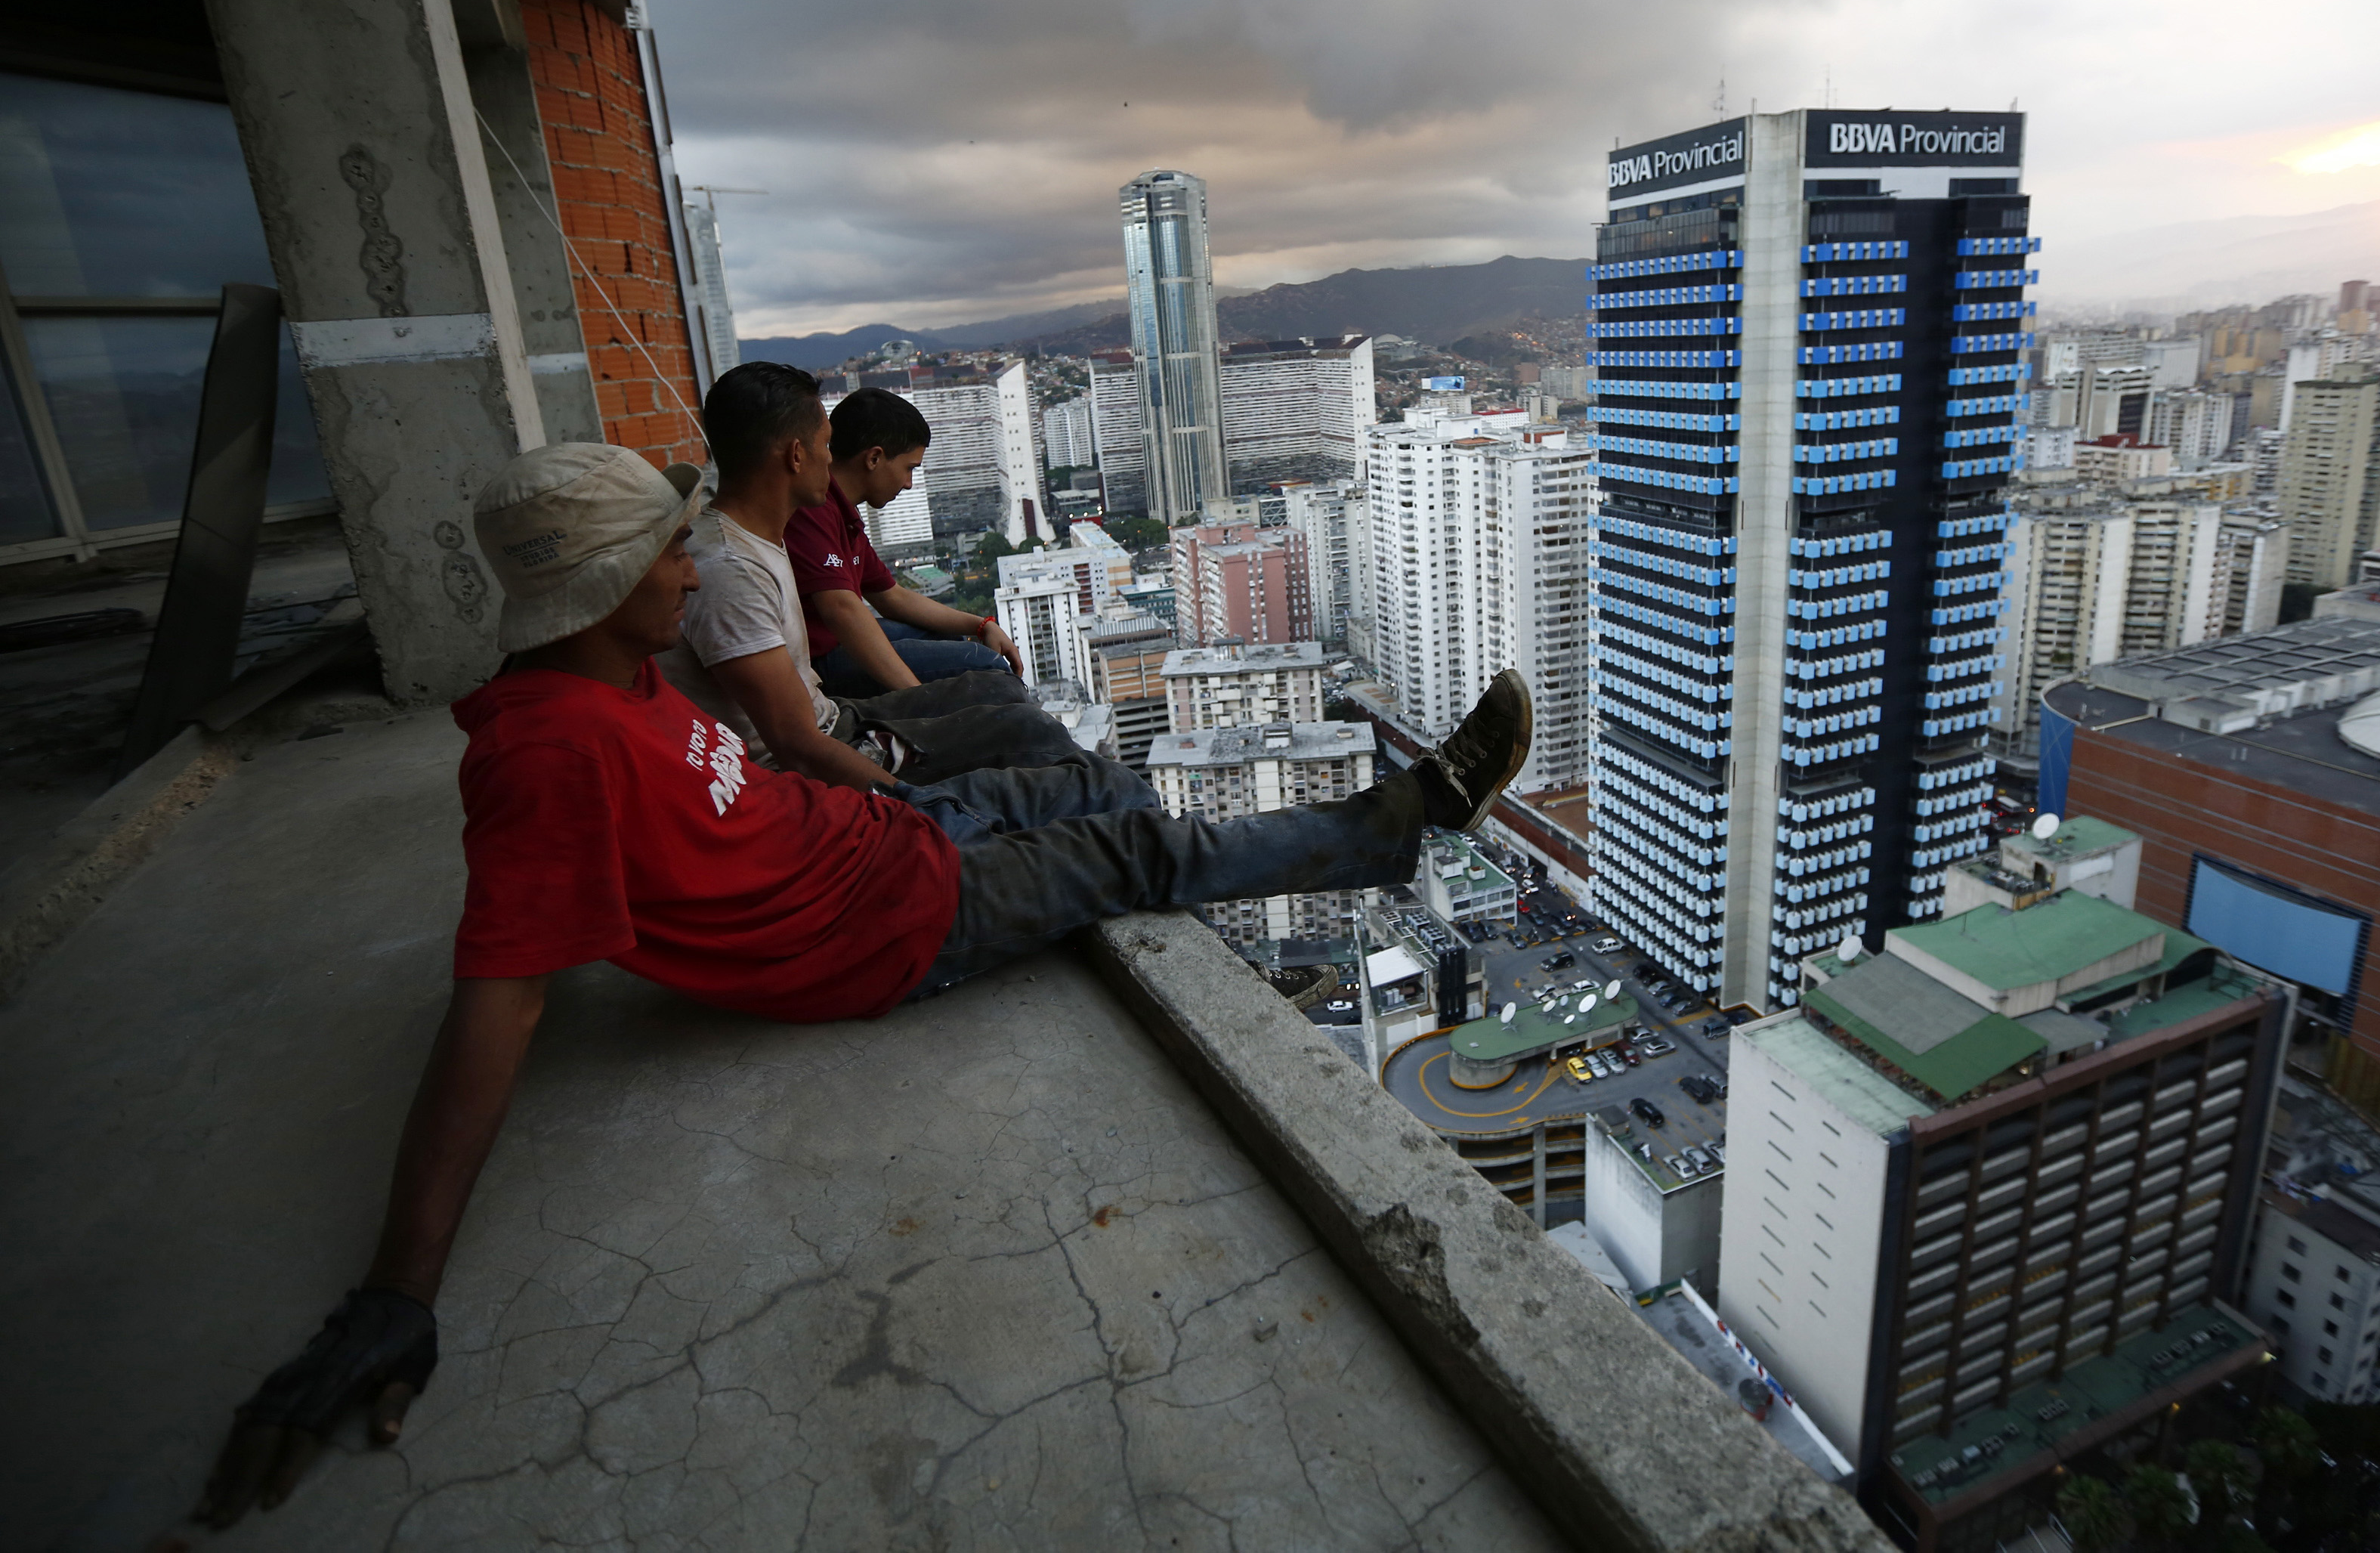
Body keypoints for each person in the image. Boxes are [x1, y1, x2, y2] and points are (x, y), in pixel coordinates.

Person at [191, 440, 1532, 1528]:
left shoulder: (619, 675)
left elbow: (745, 792)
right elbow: (500, 1001)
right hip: (890, 926)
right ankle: (1403, 817)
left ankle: (1168, 866)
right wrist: (398, 1287)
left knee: (1061, 778)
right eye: (667, 551)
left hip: (888, 840)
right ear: (600, 585)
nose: (690, 567)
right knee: (1138, 840)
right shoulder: (548, 757)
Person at [654, 362, 1096, 801]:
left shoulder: (766, 533)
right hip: (827, 733)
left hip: (833, 716)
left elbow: (888, 594)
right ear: (796, 455)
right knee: (1022, 723)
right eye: (826, 444)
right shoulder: (734, 565)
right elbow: (801, 741)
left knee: (997, 690)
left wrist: (978, 625)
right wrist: (916, 757)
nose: (831, 458)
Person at [786, 385, 1015, 695]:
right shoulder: (814, 509)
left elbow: (892, 597)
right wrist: (917, 697)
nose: (908, 484)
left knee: (952, 641)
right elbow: (842, 609)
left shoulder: (842, 514)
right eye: (909, 468)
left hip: (836, 646)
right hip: (819, 661)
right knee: (986, 666)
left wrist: (980, 624)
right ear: (874, 458)